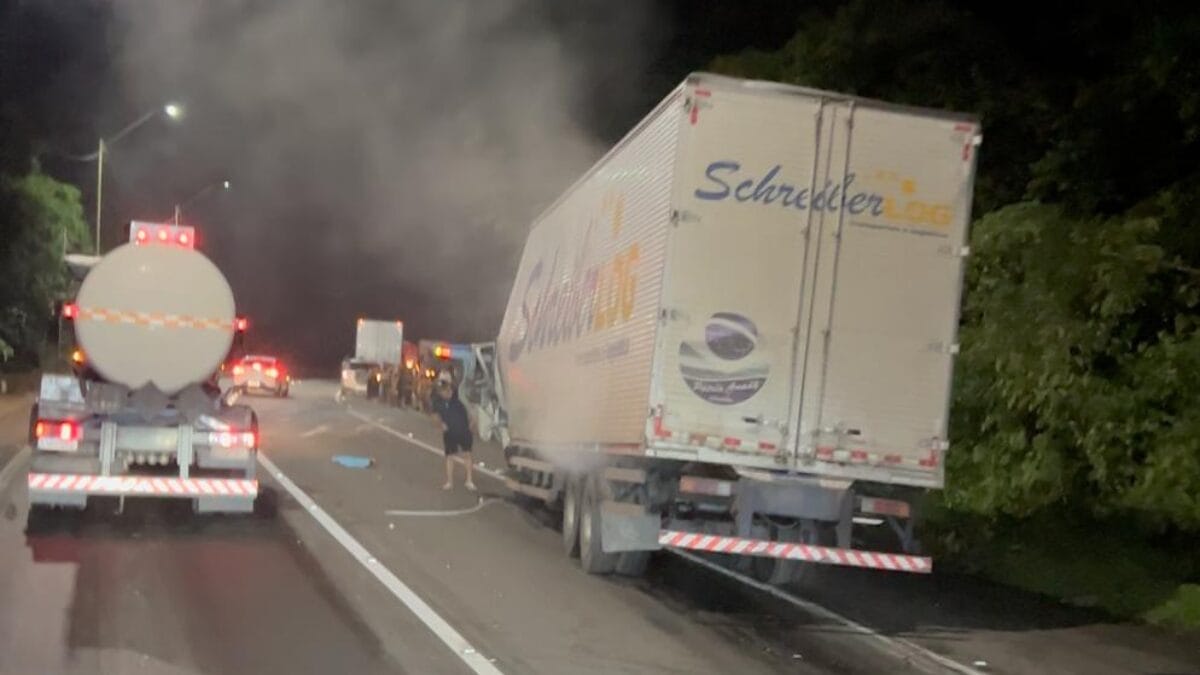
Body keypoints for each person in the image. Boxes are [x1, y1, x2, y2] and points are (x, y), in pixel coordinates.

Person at [429, 370, 476, 490]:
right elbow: (434, 415)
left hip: (463, 428)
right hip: (449, 430)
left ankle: (469, 480)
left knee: (467, 453)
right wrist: (441, 425)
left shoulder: (458, 393)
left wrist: (472, 421)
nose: (445, 390)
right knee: (450, 455)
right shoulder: (437, 398)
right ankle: (449, 481)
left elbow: (469, 406)